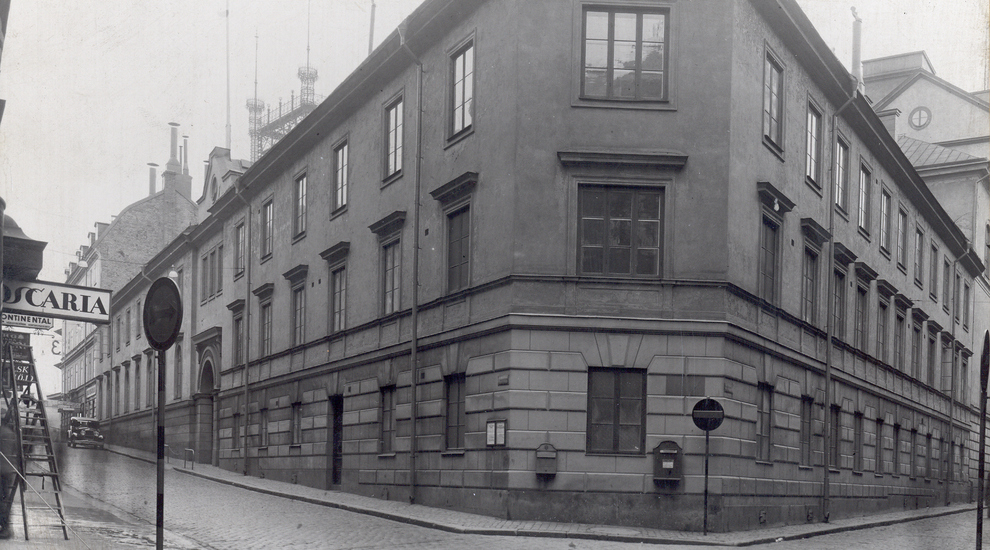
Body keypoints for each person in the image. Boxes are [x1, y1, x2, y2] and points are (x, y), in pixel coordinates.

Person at [0, 401, 20, 539]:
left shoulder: (2, 432)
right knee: (5, 499)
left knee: (2, 500)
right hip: (8, 470)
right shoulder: (10, 433)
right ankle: (6, 528)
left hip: (1, 469)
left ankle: (6, 528)